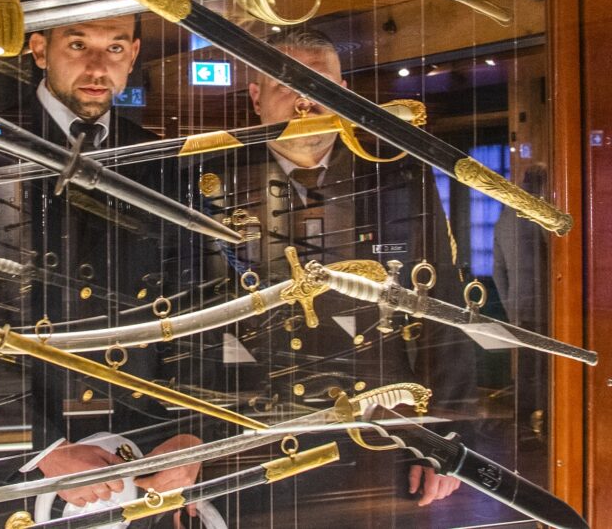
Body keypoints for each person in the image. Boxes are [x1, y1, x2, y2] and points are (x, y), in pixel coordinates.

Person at [0, 15, 203, 527]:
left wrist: (189, 433)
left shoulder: (161, 159)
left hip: (146, 452)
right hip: (30, 464)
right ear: (38, 49)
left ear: (134, 54)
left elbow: (195, 303)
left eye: (115, 48)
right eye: (79, 45)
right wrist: (42, 446)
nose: (98, 66)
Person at [198, 28, 478, 526]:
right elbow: (193, 320)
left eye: (319, 84)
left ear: (344, 96)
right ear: (256, 98)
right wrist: (191, 446)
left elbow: (444, 307)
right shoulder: (211, 189)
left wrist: (447, 434)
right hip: (251, 435)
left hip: (380, 433)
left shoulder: (395, 179)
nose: (305, 101)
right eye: (286, 86)